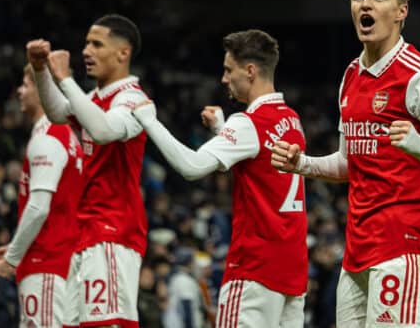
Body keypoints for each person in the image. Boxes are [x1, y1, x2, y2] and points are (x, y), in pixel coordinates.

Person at [271, 0, 420, 328]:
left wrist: (416, 142)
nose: (366, 4)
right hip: (357, 250)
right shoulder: (350, 76)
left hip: (403, 247)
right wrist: (302, 164)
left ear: (401, 12)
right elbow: (349, 163)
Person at [132, 29, 308, 327]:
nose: (224, 79)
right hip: (292, 273)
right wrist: (221, 129)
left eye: (229, 70)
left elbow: (192, 166)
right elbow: (258, 161)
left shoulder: (249, 123)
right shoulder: (291, 119)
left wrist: (150, 122)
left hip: (254, 271)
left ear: (250, 71)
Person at [26, 14, 149, 327]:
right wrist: (41, 71)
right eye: (85, 43)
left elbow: (104, 130)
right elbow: (56, 113)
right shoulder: (94, 98)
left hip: (112, 231)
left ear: (123, 53)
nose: (86, 51)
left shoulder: (133, 99)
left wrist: (65, 79)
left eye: (97, 44)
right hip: (83, 231)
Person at [0, 64, 85, 328]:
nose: (20, 91)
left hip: (45, 263)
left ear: (45, 89)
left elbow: (39, 208)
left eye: (27, 84)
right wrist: (17, 245)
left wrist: (13, 259)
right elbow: (58, 208)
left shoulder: (48, 137)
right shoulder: (68, 137)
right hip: (61, 259)